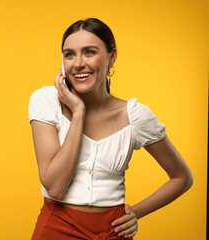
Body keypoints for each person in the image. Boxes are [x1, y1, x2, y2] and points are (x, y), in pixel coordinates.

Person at [28, 18, 193, 240]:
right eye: (69, 54)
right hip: (57, 228)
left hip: (113, 232)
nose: (78, 63)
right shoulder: (46, 100)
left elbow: (182, 177)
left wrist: (135, 213)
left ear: (111, 57)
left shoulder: (135, 116)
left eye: (89, 52)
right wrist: (78, 112)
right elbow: (56, 188)